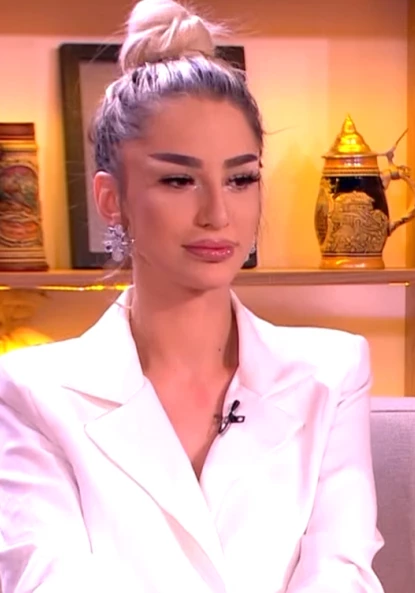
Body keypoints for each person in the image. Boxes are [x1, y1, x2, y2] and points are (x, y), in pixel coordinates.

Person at [0, 1, 385, 592]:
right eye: (178, 180)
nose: (218, 213)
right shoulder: (32, 393)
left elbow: (340, 572)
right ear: (111, 199)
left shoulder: (331, 374)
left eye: (241, 178)